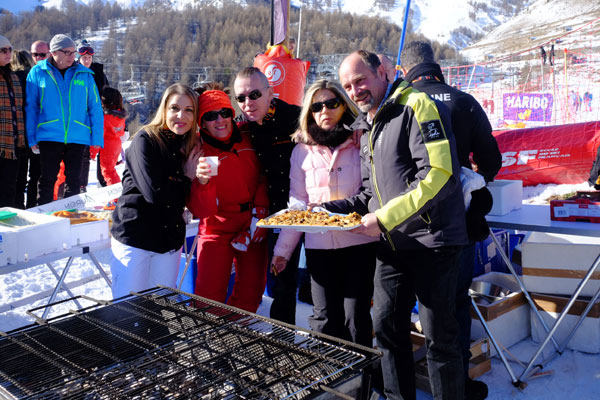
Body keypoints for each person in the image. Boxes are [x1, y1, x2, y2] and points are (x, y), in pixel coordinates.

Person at [324, 50, 467, 400]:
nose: (355, 90)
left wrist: (384, 219)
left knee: (440, 339)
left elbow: (439, 174)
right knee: (387, 329)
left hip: (433, 242)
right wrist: (324, 211)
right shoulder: (369, 124)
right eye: (347, 86)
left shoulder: (417, 105)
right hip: (392, 246)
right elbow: (370, 195)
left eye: (360, 80)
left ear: (382, 73)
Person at [400, 40, 502, 400]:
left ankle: (403, 380)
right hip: (457, 223)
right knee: (455, 302)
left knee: (403, 307)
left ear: (404, 71)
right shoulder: (464, 101)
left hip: (406, 223)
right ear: (436, 65)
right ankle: (457, 383)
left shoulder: (399, 104)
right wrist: (473, 178)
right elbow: (491, 161)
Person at [271, 79, 378, 346]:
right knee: (325, 318)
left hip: (359, 242)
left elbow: (372, 192)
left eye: (331, 103)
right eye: (317, 107)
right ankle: (331, 371)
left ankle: (362, 372)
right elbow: (298, 204)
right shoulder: (301, 151)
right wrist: (283, 251)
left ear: (345, 105)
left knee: (356, 318)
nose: (324, 111)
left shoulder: (361, 141)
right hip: (319, 247)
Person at [109, 83, 208, 299]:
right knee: (128, 308)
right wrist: (186, 178)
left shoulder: (189, 147)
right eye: (175, 108)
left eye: (189, 110)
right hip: (136, 238)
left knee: (163, 308)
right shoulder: (145, 140)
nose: (181, 116)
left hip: (168, 241)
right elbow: (155, 193)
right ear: (164, 110)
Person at [186, 83, 269, 312]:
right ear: (201, 122)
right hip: (216, 227)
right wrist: (201, 182)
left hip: (251, 221)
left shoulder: (248, 135)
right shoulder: (197, 149)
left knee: (252, 291)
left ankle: (238, 329)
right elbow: (201, 210)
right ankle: (210, 332)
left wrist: (261, 211)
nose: (220, 120)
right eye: (210, 116)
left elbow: (264, 174)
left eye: (224, 112)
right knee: (208, 297)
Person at [233, 67, 303, 323]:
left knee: (323, 281)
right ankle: (283, 339)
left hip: (311, 208)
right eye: (241, 98)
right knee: (280, 281)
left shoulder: (296, 117)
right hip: (277, 213)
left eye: (254, 95)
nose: (248, 103)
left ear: (270, 93)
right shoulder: (244, 127)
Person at [25, 34, 104, 205]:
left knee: (74, 181)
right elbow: (31, 108)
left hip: (78, 134)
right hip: (49, 134)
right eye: (67, 52)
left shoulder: (85, 74)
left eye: (74, 52)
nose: (72, 56)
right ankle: (44, 215)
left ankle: (70, 215)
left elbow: (95, 108)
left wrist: (97, 138)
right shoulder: (38, 72)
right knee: (47, 179)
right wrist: (31, 137)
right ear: (54, 52)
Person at [77, 39, 109, 192]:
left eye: (89, 57)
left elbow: (109, 95)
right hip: (80, 120)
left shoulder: (98, 74)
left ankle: (102, 182)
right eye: (84, 57)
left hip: (96, 118)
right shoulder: (74, 73)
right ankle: (81, 185)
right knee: (82, 153)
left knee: (99, 152)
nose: (87, 60)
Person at [0, 36, 26, 208]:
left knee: (10, 188)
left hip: (14, 144)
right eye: (3, 50)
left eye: (10, 49)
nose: (8, 53)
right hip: (2, 143)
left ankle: (7, 221)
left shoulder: (14, 77)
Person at [10, 49, 35, 209]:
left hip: (17, 133)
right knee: (36, 176)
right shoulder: (34, 79)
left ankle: (18, 207)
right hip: (35, 132)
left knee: (17, 177)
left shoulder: (11, 79)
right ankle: (34, 207)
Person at [95, 87, 126, 185]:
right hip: (117, 145)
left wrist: (93, 151)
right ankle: (116, 190)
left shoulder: (104, 118)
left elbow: (99, 135)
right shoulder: (120, 117)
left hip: (107, 146)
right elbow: (122, 132)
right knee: (111, 170)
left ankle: (115, 192)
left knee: (107, 172)